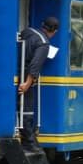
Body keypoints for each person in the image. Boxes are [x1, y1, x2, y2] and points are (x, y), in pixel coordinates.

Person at [18, 17, 59, 151]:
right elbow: (35, 66)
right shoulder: (44, 44)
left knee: (21, 107)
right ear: (54, 31)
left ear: (43, 25)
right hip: (26, 75)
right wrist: (27, 84)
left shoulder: (28, 31)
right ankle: (29, 142)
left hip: (16, 71)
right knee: (27, 109)